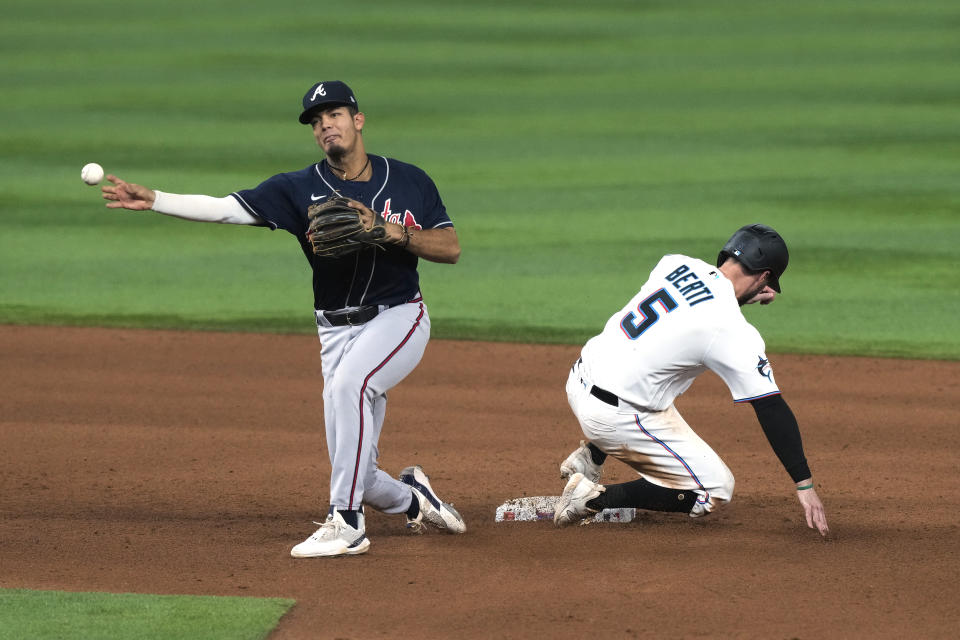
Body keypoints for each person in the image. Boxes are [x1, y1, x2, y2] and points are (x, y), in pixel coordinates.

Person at [102, 80, 467, 557]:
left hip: (399, 317)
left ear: (357, 120)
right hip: (334, 331)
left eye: (333, 115)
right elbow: (224, 210)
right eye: (316, 121)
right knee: (354, 465)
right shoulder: (298, 188)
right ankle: (412, 499)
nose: (325, 126)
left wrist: (385, 230)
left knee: (348, 389)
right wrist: (155, 199)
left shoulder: (409, 180)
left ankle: (347, 523)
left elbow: (450, 247)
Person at [554, 224, 829, 536]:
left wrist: (738, 297)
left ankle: (592, 455)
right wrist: (803, 484)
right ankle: (590, 498)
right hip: (611, 417)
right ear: (766, 276)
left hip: (579, 378)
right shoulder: (731, 330)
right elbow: (771, 408)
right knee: (715, 490)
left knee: (661, 368)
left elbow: (698, 312)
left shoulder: (675, 263)